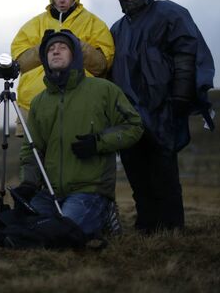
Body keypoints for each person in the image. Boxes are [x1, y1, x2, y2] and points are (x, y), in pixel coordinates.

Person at [110, 0, 215, 234]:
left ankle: (171, 225)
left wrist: (181, 94)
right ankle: (147, 224)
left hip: (161, 108)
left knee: (163, 170)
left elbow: (186, 51)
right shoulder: (117, 29)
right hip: (128, 113)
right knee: (135, 170)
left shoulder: (168, 13)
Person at [14, 30, 144, 239]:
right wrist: (28, 183)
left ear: (75, 55)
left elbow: (134, 126)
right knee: (22, 228)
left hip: (89, 189)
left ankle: (105, 212)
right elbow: (32, 149)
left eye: (62, 47)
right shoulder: (39, 102)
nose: (55, 51)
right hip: (50, 192)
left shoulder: (104, 90)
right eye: (50, 49)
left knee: (63, 235)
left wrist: (98, 142)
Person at [11, 0, 115, 136]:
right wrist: (45, 46)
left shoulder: (94, 24)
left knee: (73, 158)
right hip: (34, 106)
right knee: (33, 159)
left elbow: (102, 65)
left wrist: (76, 44)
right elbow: (19, 63)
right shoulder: (34, 25)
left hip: (82, 107)